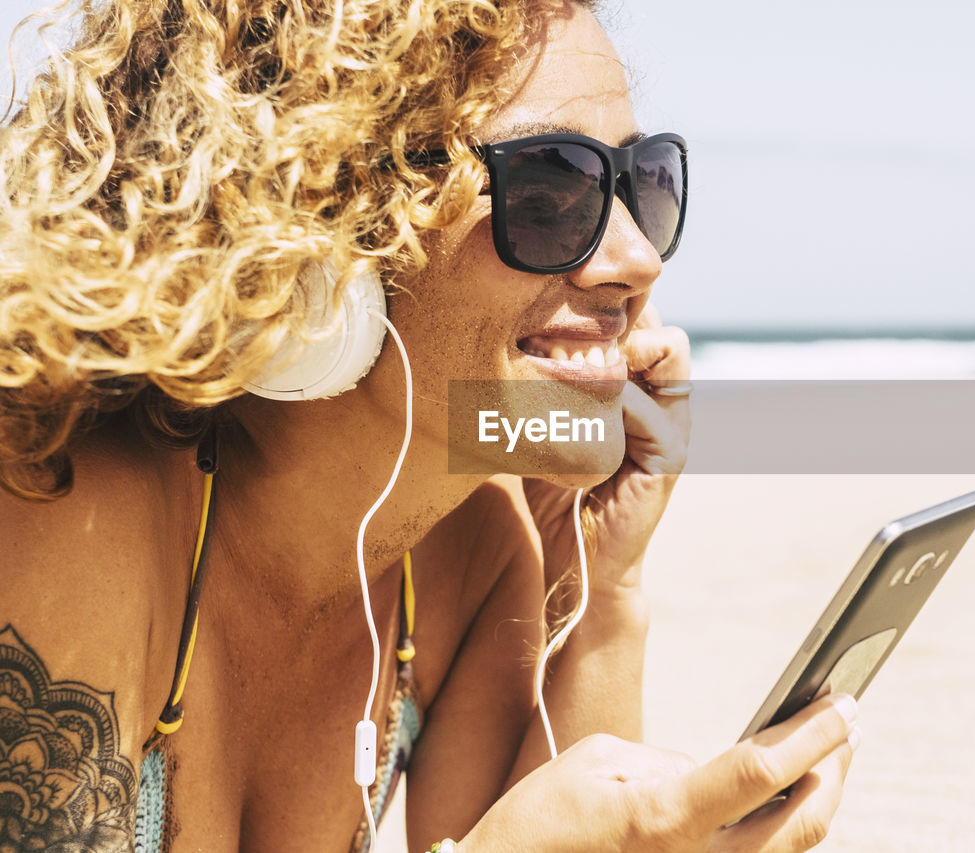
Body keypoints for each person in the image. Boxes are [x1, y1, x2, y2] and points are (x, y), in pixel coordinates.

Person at [0, 0, 861, 850]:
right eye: (552, 188)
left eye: (645, 183)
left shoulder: (472, 559)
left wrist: (604, 589)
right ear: (316, 223)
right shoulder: (66, 504)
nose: (638, 256)